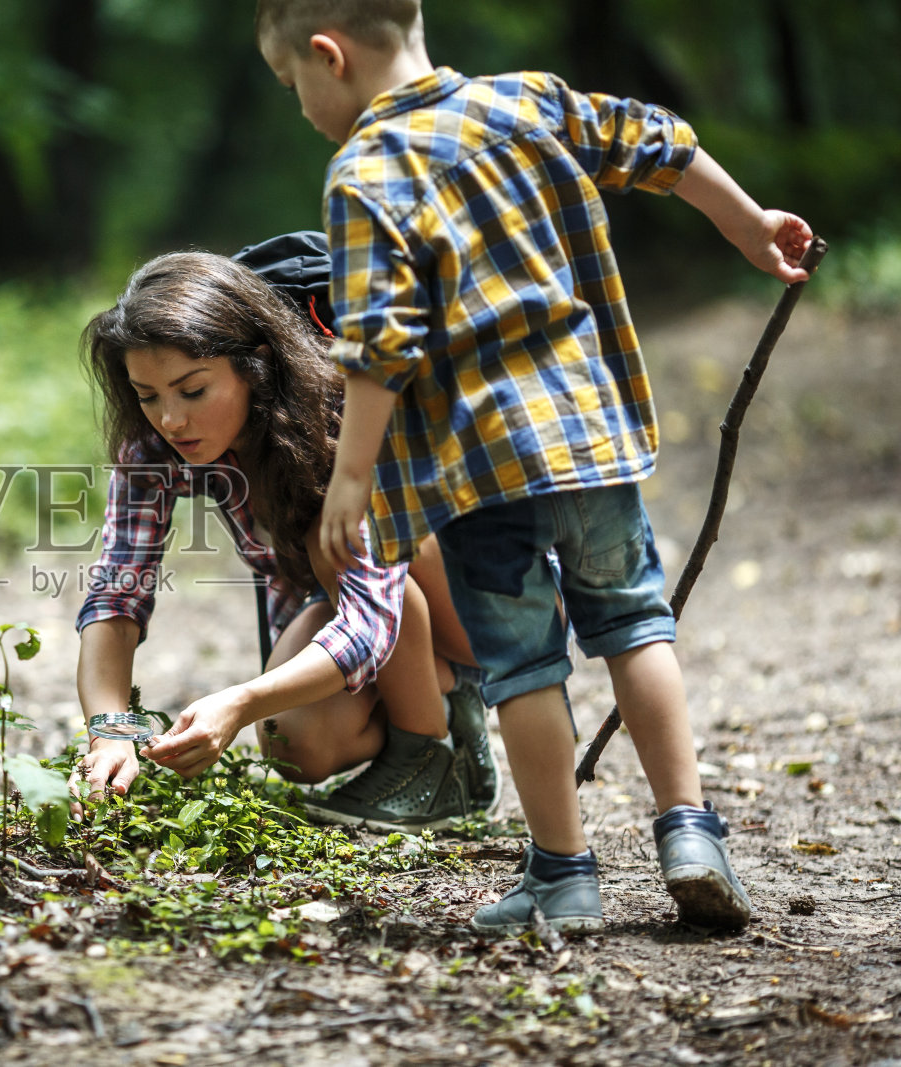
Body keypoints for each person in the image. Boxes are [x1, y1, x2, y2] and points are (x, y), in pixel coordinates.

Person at [256, 0, 814, 933]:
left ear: (330, 55)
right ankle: (689, 829)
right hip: (591, 439)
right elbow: (659, 142)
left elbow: (380, 342)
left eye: (292, 84)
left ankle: (563, 873)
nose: (301, 104)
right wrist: (750, 225)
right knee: (636, 624)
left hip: (478, 473)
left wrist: (352, 477)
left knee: (523, 668)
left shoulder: (362, 170)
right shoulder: (526, 103)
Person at [72, 237, 496, 831]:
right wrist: (109, 731)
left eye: (193, 391)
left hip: (476, 602)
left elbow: (372, 617)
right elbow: (117, 593)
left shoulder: (343, 415)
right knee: (294, 746)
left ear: (258, 366)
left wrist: (240, 702)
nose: (170, 419)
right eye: (147, 396)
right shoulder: (151, 451)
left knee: (333, 531)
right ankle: (449, 699)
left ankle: (428, 760)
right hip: (356, 606)